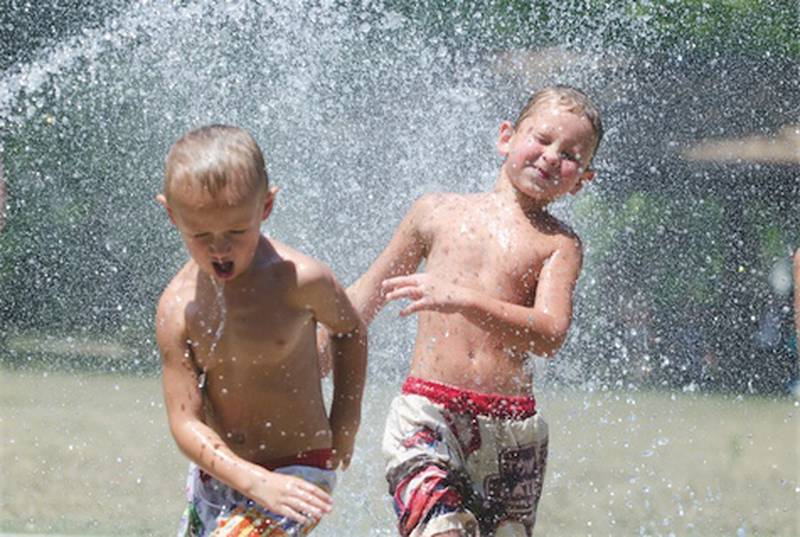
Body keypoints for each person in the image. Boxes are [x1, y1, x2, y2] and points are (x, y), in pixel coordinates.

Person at [347, 85, 603, 536]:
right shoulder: (436, 213)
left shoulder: (559, 245)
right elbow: (363, 302)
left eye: (570, 155)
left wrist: (464, 299)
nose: (550, 156)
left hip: (513, 428)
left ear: (582, 180)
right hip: (427, 414)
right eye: (542, 139)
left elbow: (550, 334)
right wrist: (299, 355)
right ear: (506, 137)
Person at [156, 125, 367, 537]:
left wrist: (345, 417)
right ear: (171, 214)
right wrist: (250, 479)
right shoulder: (177, 308)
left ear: (266, 206)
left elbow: (349, 331)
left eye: (237, 231)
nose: (220, 248)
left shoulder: (300, 280)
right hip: (219, 476)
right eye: (200, 235)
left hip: (299, 468)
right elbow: (184, 422)